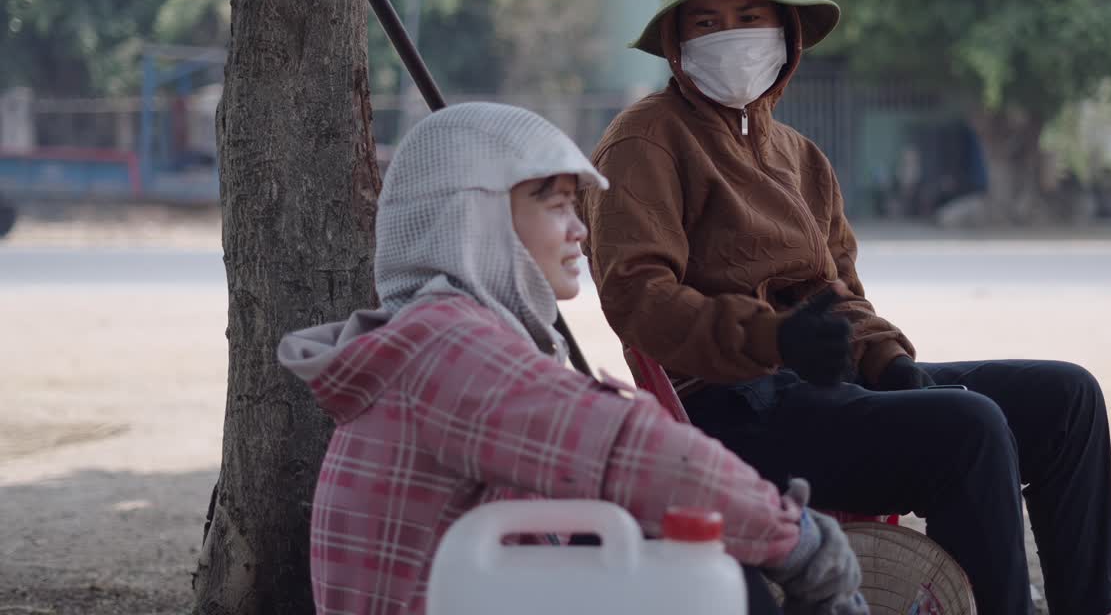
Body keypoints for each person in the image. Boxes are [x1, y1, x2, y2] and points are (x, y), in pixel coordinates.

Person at [579, 0, 1111, 615]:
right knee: (970, 430)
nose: (730, 35)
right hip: (725, 415)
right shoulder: (644, 139)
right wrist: (772, 338)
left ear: (786, 34)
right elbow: (638, 299)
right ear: (678, 43)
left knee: (1067, 399)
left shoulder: (802, 158)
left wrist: (888, 361)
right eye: (706, 22)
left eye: (749, 15)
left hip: (821, 393)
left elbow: (841, 297)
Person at [276, 102, 869, 615]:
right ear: (474, 219)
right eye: (556, 205)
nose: (579, 231)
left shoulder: (431, 341)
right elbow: (633, 450)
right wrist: (798, 541)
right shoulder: (446, 347)